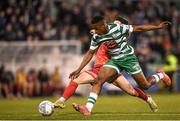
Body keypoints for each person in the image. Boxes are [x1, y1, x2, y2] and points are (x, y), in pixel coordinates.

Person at [70, 15, 171, 116]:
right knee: (98, 80)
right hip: (115, 60)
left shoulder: (117, 28)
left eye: (96, 28)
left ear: (103, 25)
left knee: (145, 85)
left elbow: (138, 28)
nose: (94, 30)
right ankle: (88, 108)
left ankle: (161, 75)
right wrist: (79, 69)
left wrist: (157, 27)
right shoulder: (97, 36)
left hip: (129, 59)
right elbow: (90, 53)